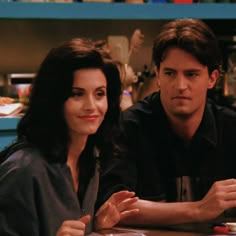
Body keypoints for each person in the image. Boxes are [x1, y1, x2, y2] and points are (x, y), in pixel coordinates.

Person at [97, 18, 236, 227]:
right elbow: (114, 208)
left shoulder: (230, 128)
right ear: (158, 75)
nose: (180, 86)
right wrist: (199, 209)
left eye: (191, 74)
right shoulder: (129, 127)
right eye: (170, 73)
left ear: (212, 78)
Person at [0, 38, 139, 236]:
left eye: (99, 94)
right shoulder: (23, 171)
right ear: (54, 99)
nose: (91, 105)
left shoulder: (91, 159)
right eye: (77, 94)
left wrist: (96, 227)